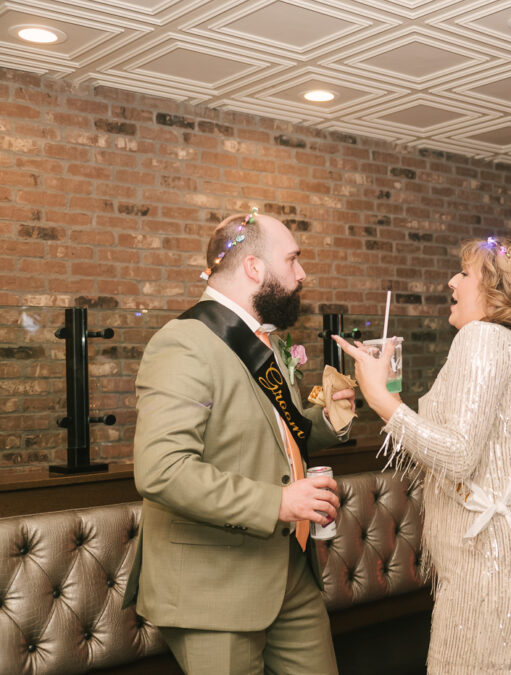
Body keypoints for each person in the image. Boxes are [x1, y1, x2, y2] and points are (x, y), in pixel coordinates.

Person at [333, 236, 511, 674]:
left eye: (464, 273)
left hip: (489, 572)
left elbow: (455, 456)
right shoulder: (510, 346)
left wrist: (380, 400)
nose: (452, 281)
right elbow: (462, 439)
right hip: (499, 566)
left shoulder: (482, 339)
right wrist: (388, 385)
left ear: (494, 291)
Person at [123, 209, 354, 674]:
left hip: (287, 567)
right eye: (292, 260)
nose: (302, 273)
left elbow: (275, 434)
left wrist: (331, 418)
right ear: (254, 268)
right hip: (215, 587)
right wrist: (279, 502)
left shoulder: (259, 342)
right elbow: (162, 470)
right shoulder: (185, 343)